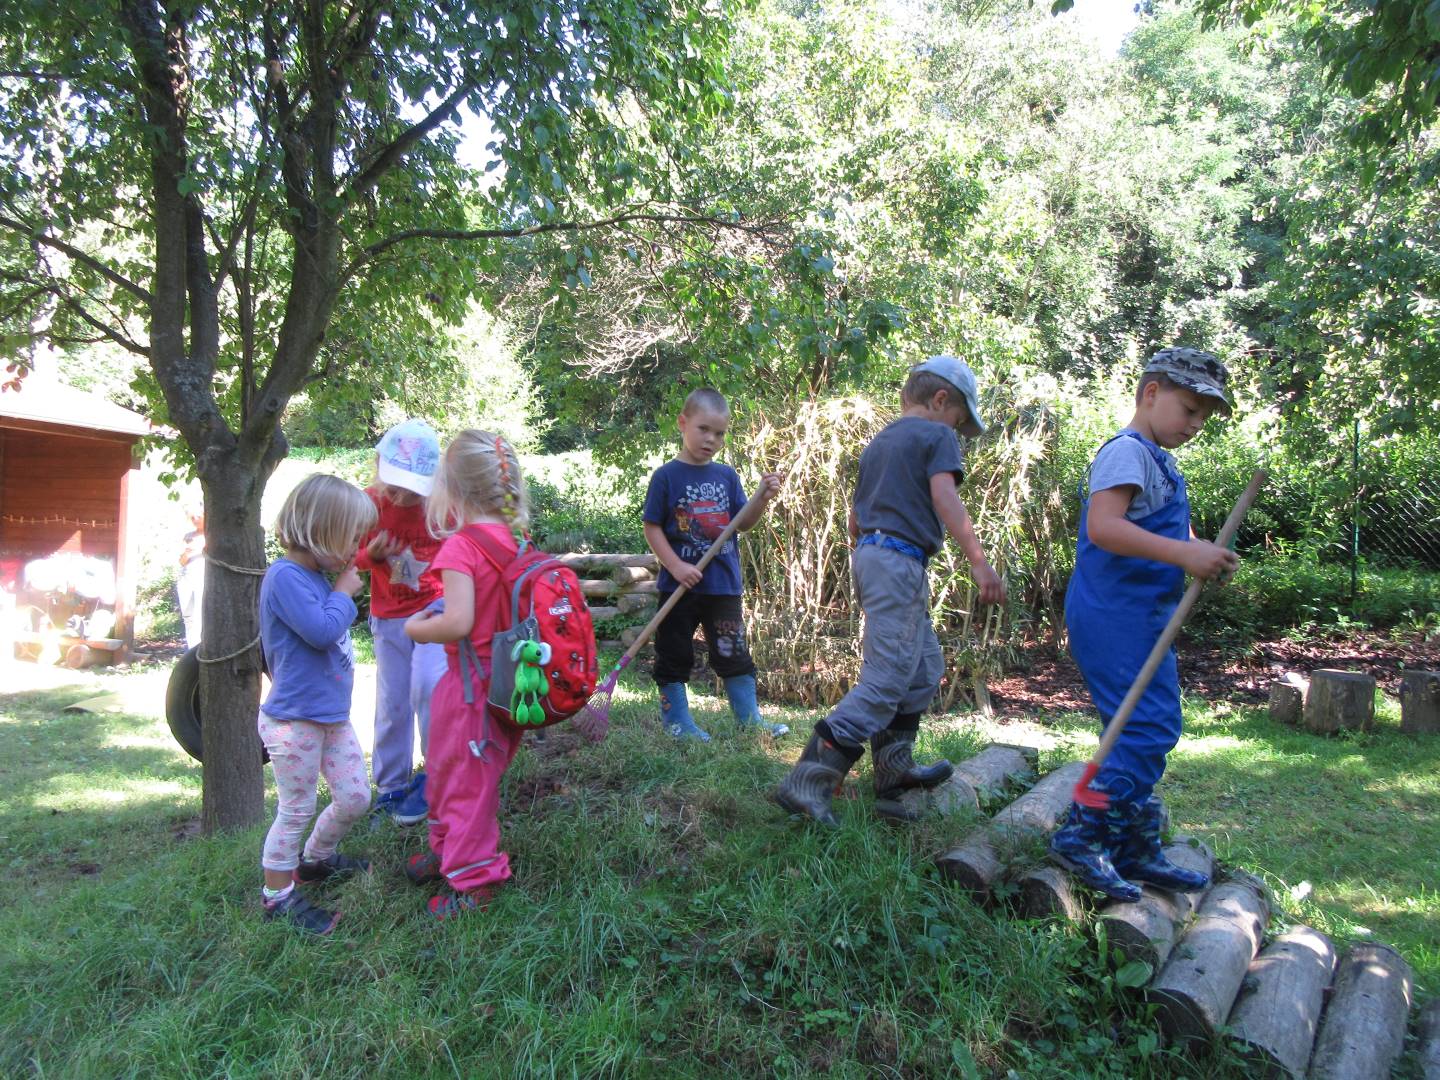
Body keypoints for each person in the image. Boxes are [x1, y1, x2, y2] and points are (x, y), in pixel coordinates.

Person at [774, 355, 1007, 825]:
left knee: (923, 669)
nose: (956, 430)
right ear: (940, 400)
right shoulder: (936, 436)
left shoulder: (880, 442)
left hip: (874, 556)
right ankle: (807, 782)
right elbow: (945, 497)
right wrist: (979, 561)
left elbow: (855, 518)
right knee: (886, 681)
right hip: (898, 561)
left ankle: (893, 769)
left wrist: (873, 559)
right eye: (958, 419)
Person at [1049, 347, 1238, 902]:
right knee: (1145, 730)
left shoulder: (1159, 462)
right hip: (1114, 615)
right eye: (1190, 409)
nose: (1196, 424)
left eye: (1205, 417)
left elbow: (1165, 534)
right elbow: (1105, 528)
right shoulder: (1126, 453)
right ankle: (1082, 834)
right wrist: (1184, 555)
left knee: (1142, 729)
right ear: (1151, 393)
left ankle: (1134, 845)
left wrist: (1201, 553)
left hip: (1146, 618)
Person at [403, 430, 531, 918]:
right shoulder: (517, 540)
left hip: (470, 689)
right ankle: (446, 851)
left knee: (465, 786)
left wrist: (417, 628)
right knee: (450, 773)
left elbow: (457, 623)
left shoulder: (461, 547)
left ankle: (476, 883)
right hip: (510, 683)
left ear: (451, 489)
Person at [257, 474, 378, 935]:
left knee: (355, 797)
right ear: (322, 531)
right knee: (296, 808)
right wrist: (343, 594)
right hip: (294, 721)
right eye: (351, 537)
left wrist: (340, 590)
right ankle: (277, 896)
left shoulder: (313, 578)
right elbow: (321, 631)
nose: (355, 548)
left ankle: (315, 860)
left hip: (330, 718)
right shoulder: (285, 577)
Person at [642, 387, 787, 742]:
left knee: (732, 652)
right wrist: (675, 566)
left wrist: (762, 498)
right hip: (679, 586)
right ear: (683, 423)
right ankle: (677, 723)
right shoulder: (666, 476)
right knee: (673, 652)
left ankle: (750, 721)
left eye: (719, 433)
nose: (711, 439)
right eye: (703, 429)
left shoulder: (726, 476)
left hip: (722, 585)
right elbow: (652, 527)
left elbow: (743, 523)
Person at [358, 419, 447, 826]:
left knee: (431, 693)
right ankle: (391, 786)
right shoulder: (369, 505)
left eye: (410, 490)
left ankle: (435, 778)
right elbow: (350, 556)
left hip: (434, 613)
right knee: (393, 703)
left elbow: (460, 550)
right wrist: (371, 556)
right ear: (379, 465)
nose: (399, 496)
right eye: (394, 486)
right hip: (390, 617)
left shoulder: (441, 506)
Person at [176, 505, 206, 650]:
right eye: (192, 518)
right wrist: (187, 553)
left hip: (203, 577)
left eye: (198, 516)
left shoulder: (212, 535)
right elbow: (181, 561)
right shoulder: (188, 536)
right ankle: (191, 648)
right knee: (188, 615)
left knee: (200, 614)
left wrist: (200, 549)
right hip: (186, 577)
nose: (195, 520)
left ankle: (201, 649)